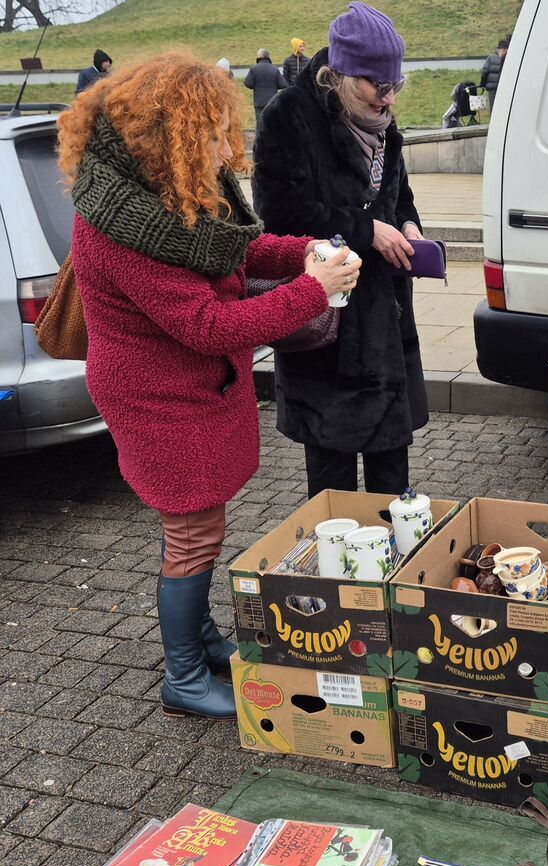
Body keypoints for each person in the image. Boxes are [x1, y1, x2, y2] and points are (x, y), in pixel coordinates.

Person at [57, 53, 361, 719]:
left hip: (188, 386)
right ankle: (184, 677)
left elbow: (236, 248)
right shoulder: (120, 225)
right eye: (215, 133)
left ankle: (200, 637)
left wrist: (303, 250)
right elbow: (206, 325)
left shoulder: (170, 188)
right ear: (172, 139)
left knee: (199, 525)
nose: (230, 146)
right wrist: (314, 291)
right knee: (192, 530)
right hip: (154, 395)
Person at [252, 2, 428, 497]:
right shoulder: (289, 115)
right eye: (379, 86)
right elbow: (279, 211)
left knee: (394, 489)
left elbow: (400, 194)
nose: (389, 98)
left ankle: (395, 569)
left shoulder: (381, 117)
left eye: (396, 86)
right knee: (334, 496)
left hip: (387, 322)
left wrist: (410, 226)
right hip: (330, 322)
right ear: (344, 74)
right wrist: (365, 230)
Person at [243, 48, 287, 125]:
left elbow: (248, 83)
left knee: (260, 124)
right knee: (272, 123)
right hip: (272, 101)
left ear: (259, 56)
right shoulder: (274, 69)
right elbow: (283, 84)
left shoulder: (254, 68)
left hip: (259, 102)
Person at [480, 37, 507, 109]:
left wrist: (482, 84)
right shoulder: (508, 59)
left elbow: (484, 72)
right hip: (502, 88)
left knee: (493, 108)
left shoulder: (490, 58)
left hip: (493, 89)